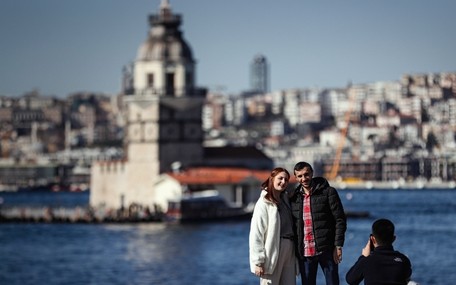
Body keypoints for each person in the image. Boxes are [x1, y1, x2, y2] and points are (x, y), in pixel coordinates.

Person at [289, 161, 347, 285]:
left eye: (306, 174)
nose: (304, 179)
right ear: (296, 177)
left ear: (312, 173)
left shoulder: (328, 192)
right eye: (300, 176)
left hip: (327, 249)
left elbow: (340, 219)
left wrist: (338, 246)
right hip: (305, 252)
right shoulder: (294, 198)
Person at [249, 167, 298, 285]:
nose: (283, 182)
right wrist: (258, 261)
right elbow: (256, 234)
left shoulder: (285, 200)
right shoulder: (263, 203)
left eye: (286, 180)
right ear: (272, 179)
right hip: (273, 249)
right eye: (280, 178)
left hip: (290, 248)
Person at [345, 218, 412, 285]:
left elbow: (350, 280)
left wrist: (363, 257)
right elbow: (407, 276)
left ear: (372, 239)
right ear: (394, 239)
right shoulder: (403, 260)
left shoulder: (366, 261)